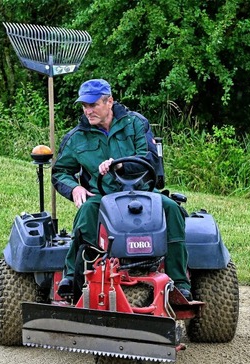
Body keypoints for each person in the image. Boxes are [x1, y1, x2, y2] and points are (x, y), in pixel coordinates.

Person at [51, 79, 192, 301]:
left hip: (143, 194)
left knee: (172, 209)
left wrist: (120, 165)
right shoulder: (76, 137)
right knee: (87, 212)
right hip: (102, 197)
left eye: (93, 105)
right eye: (85, 106)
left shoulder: (136, 124)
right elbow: (60, 172)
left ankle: (180, 283)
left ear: (109, 102)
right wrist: (75, 187)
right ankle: (73, 278)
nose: (88, 111)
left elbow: (150, 158)